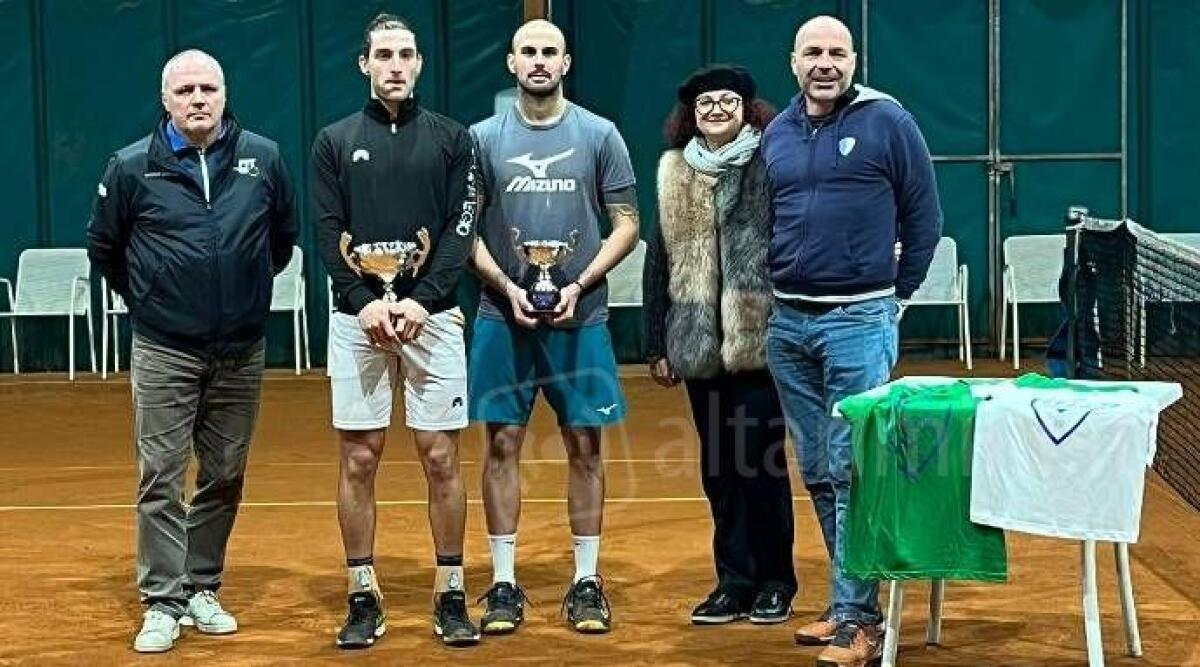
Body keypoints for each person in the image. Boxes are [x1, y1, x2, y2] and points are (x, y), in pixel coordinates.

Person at [86, 49, 297, 653]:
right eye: (185, 91)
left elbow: (281, 241)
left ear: (225, 95)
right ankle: (162, 601)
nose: (198, 99)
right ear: (166, 101)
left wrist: (242, 293)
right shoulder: (130, 166)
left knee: (225, 474)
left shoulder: (264, 158)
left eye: (208, 88)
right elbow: (105, 247)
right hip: (165, 349)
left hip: (241, 348)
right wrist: (153, 297)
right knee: (161, 475)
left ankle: (202, 586)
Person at [761, 15, 942, 666]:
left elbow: (924, 214)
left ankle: (860, 621)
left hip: (858, 322)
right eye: (813, 52)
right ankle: (848, 604)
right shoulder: (777, 133)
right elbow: (769, 218)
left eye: (837, 52)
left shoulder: (888, 121)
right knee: (818, 470)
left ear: (854, 60)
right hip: (788, 325)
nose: (825, 63)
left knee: (852, 470)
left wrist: (897, 296)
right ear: (793, 62)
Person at [311, 13, 479, 650]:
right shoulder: (333, 141)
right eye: (383, 55)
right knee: (359, 457)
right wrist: (363, 302)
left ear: (420, 63)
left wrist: (423, 301)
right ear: (365, 64)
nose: (395, 66)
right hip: (358, 320)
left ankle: (451, 592)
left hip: (434, 317)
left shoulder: (453, 139)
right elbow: (327, 230)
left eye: (406, 54)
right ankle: (362, 594)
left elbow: (462, 227)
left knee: (440, 456)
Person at [468, 19, 639, 636]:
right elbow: (465, 231)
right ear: (511, 63)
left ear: (565, 63)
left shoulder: (600, 134)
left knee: (585, 447)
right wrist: (510, 288)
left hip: (581, 317)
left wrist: (576, 285)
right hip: (502, 316)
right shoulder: (481, 139)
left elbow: (627, 223)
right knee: (501, 445)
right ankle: (504, 583)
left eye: (550, 52)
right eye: (528, 51)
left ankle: (586, 582)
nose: (539, 60)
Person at [643, 64, 796, 626]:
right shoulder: (674, 170)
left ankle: (775, 581)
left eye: (726, 101)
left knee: (761, 465)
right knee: (719, 470)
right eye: (704, 103)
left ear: (746, 108)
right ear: (691, 114)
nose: (715, 110)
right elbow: (659, 261)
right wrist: (656, 342)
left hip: (759, 340)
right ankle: (733, 582)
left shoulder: (770, 162)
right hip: (697, 341)